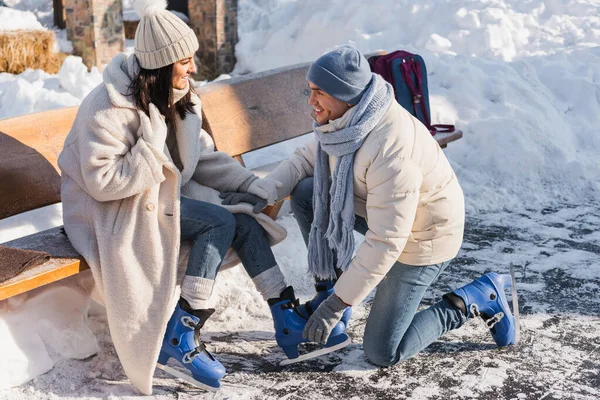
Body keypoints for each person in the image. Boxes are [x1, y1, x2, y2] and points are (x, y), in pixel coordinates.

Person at [56, 0, 322, 394]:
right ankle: (181, 334)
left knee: (246, 221)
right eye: (185, 61)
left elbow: (204, 157)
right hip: (111, 212)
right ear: (162, 65)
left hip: (161, 199)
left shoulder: (180, 97)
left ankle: (286, 319)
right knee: (220, 221)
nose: (193, 68)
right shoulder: (107, 107)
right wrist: (150, 144)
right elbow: (103, 183)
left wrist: (250, 184)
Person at [257, 45, 518, 367]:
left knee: (383, 351)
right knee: (309, 191)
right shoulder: (349, 123)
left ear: (346, 94)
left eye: (319, 93)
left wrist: (337, 305)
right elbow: (304, 160)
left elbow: (387, 240)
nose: (311, 102)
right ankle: (330, 287)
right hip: (388, 216)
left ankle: (477, 297)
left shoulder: (390, 149)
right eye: (310, 91)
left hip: (425, 237)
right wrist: (260, 192)